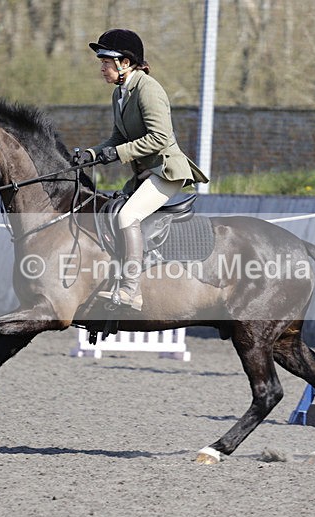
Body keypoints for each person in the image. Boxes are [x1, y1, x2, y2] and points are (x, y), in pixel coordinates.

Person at [83, 29, 209, 311]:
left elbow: (160, 138)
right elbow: (118, 137)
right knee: (109, 210)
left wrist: (116, 154)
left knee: (128, 216)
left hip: (165, 170)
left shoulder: (148, 89)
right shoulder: (120, 93)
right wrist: (91, 154)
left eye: (106, 61)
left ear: (125, 63)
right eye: (101, 62)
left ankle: (130, 290)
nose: (102, 67)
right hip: (143, 174)